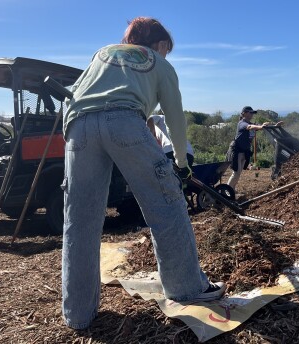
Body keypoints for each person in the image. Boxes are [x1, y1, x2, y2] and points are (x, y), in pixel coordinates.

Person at [61, 17, 226, 330]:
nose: (167, 54)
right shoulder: (159, 64)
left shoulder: (102, 54)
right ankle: (187, 287)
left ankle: (78, 313)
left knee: (79, 221)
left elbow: (76, 94)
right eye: (168, 49)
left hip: (77, 128)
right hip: (124, 120)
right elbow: (175, 116)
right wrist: (180, 161)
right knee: (166, 204)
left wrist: (71, 138)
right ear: (161, 44)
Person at [226, 106, 282, 189]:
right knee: (236, 173)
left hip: (244, 151)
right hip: (237, 151)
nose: (252, 114)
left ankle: (231, 190)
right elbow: (251, 127)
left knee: (238, 173)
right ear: (244, 113)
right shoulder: (242, 123)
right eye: (250, 112)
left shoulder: (251, 124)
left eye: (252, 113)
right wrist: (260, 127)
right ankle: (226, 191)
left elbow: (261, 127)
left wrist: (275, 126)